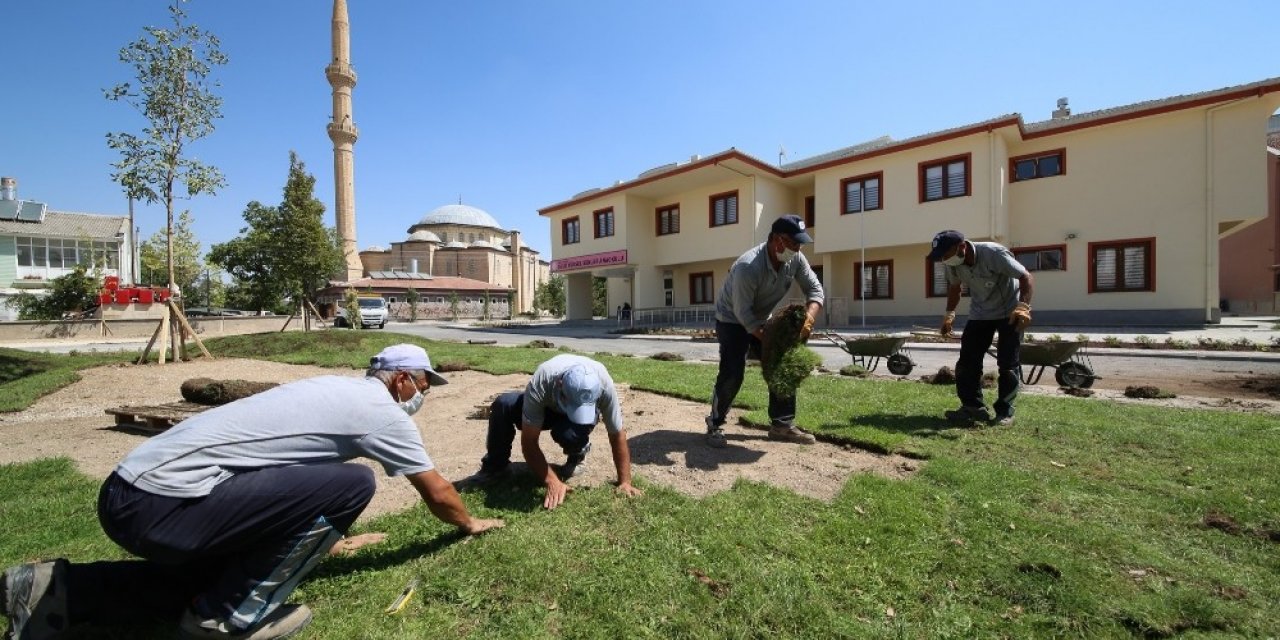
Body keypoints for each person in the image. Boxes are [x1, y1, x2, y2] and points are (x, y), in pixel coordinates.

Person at [1, 343, 503, 640]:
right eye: (423, 383)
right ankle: (230, 617)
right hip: (166, 503)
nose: (426, 392)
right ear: (398, 380)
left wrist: (323, 538)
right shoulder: (379, 412)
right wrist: (470, 523)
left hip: (126, 493)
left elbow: (277, 478)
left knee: (213, 576)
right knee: (354, 481)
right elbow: (436, 490)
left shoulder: (331, 388)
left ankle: (53, 588)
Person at [705, 214, 825, 448]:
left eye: (800, 243)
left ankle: (782, 424)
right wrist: (774, 339)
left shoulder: (796, 259)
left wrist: (809, 319)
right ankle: (715, 423)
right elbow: (745, 316)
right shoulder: (747, 267)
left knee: (783, 366)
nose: (797, 248)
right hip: (732, 319)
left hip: (761, 316)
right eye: (793, 243)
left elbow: (815, 289)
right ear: (777, 240)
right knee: (733, 372)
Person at [468, 354, 642, 510]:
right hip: (549, 408)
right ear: (560, 384)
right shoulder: (543, 380)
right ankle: (495, 468)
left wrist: (625, 481)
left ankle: (578, 454)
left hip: (570, 418)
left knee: (566, 433)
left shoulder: (603, 384)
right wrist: (552, 481)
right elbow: (529, 442)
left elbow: (617, 434)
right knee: (504, 404)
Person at [928, 229, 1034, 426]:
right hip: (980, 313)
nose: (943, 259)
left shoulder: (993, 254)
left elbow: (1026, 277)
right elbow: (954, 288)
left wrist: (1024, 307)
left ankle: (1005, 411)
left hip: (1009, 312)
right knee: (967, 361)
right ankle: (972, 407)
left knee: (1008, 364)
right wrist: (949, 315)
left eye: (946, 254)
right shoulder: (952, 264)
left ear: (961, 247)